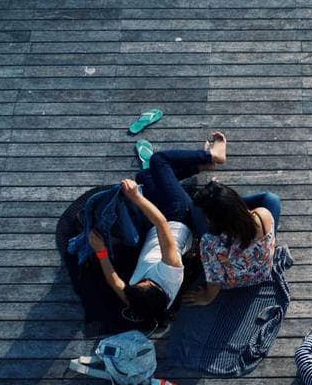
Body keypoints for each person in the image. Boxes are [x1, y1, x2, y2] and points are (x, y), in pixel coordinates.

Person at [88, 132, 227, 323]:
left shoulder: (138, 299)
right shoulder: (170, 271)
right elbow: (161, 223)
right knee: (158, 160)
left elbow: (115, 283)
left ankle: (201, 166)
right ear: (158, 289)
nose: (140, 281)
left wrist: (101, 251)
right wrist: (136, 198)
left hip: (154, 227)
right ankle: (213, 156)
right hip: (178, 217)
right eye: (146, 283)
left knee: (144, 176)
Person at [180, 180, 280, 306]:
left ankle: (218, 202)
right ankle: (223, 202)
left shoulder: (210, 242)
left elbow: (215, 279)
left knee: (195, 207)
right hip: (262, 272)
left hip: (234, 282)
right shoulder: (262, 214)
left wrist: (207, 298)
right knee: (272, 199)